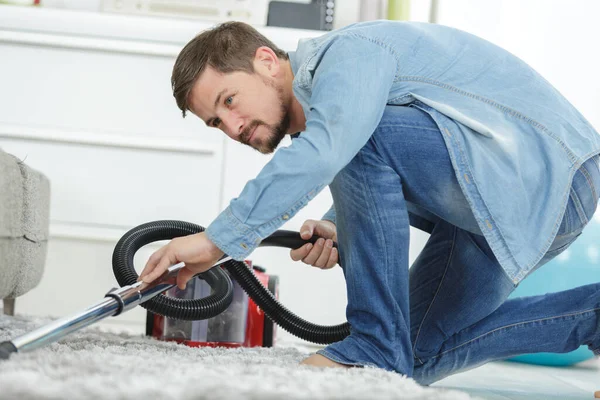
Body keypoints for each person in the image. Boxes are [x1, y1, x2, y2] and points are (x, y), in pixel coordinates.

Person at [138, 20, 600, 388]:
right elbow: (357, 149)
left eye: (230, 100)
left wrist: (216, 241)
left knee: (383, 347)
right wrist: (340, 223)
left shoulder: (350, 52)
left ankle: (374, 341)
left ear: (265, 61)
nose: (233, 126)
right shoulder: (330, 119)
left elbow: (339, 143)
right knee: (409, 356)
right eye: (217, 121)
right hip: (494, 207)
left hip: (551, 174)